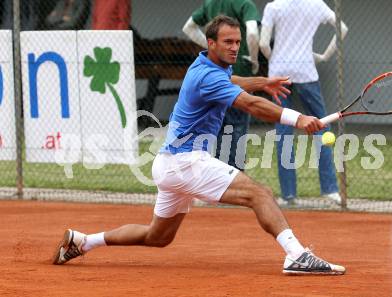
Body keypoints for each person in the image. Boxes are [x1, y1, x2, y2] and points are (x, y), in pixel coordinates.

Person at [52, 15, 345, 275]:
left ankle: (83, 241)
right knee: (260, 194)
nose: (234, 47)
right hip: (186, 161)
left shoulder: (207, 64)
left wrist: (262, 81)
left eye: (238, 42)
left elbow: (235, 81)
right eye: (228, 42)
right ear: (211, 42)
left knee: (158, 236)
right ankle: (297, 255)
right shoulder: (208, 76)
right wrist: (299, 119)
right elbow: (251, 105)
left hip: (169, 164)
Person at [259, 0, 348, 206]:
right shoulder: (316, 4)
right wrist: (324, 56)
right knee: (320, 126)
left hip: (279, 76)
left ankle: (289, 195)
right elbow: (342, 29)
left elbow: (263, 44)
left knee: (283, 132)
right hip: (306, 71)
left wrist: (276, 61)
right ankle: (330, 190)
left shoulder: (274, 7)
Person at [182, 0, 260, 170]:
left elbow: (188, 27)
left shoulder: (210, 3)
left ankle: (219, 178)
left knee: (217, 131)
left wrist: (214, 48)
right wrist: (253, 59)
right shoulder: (245, 4)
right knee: (237, 131)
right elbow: (253, 33)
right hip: (239, 73)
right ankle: (234, 178)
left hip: (216, 76)